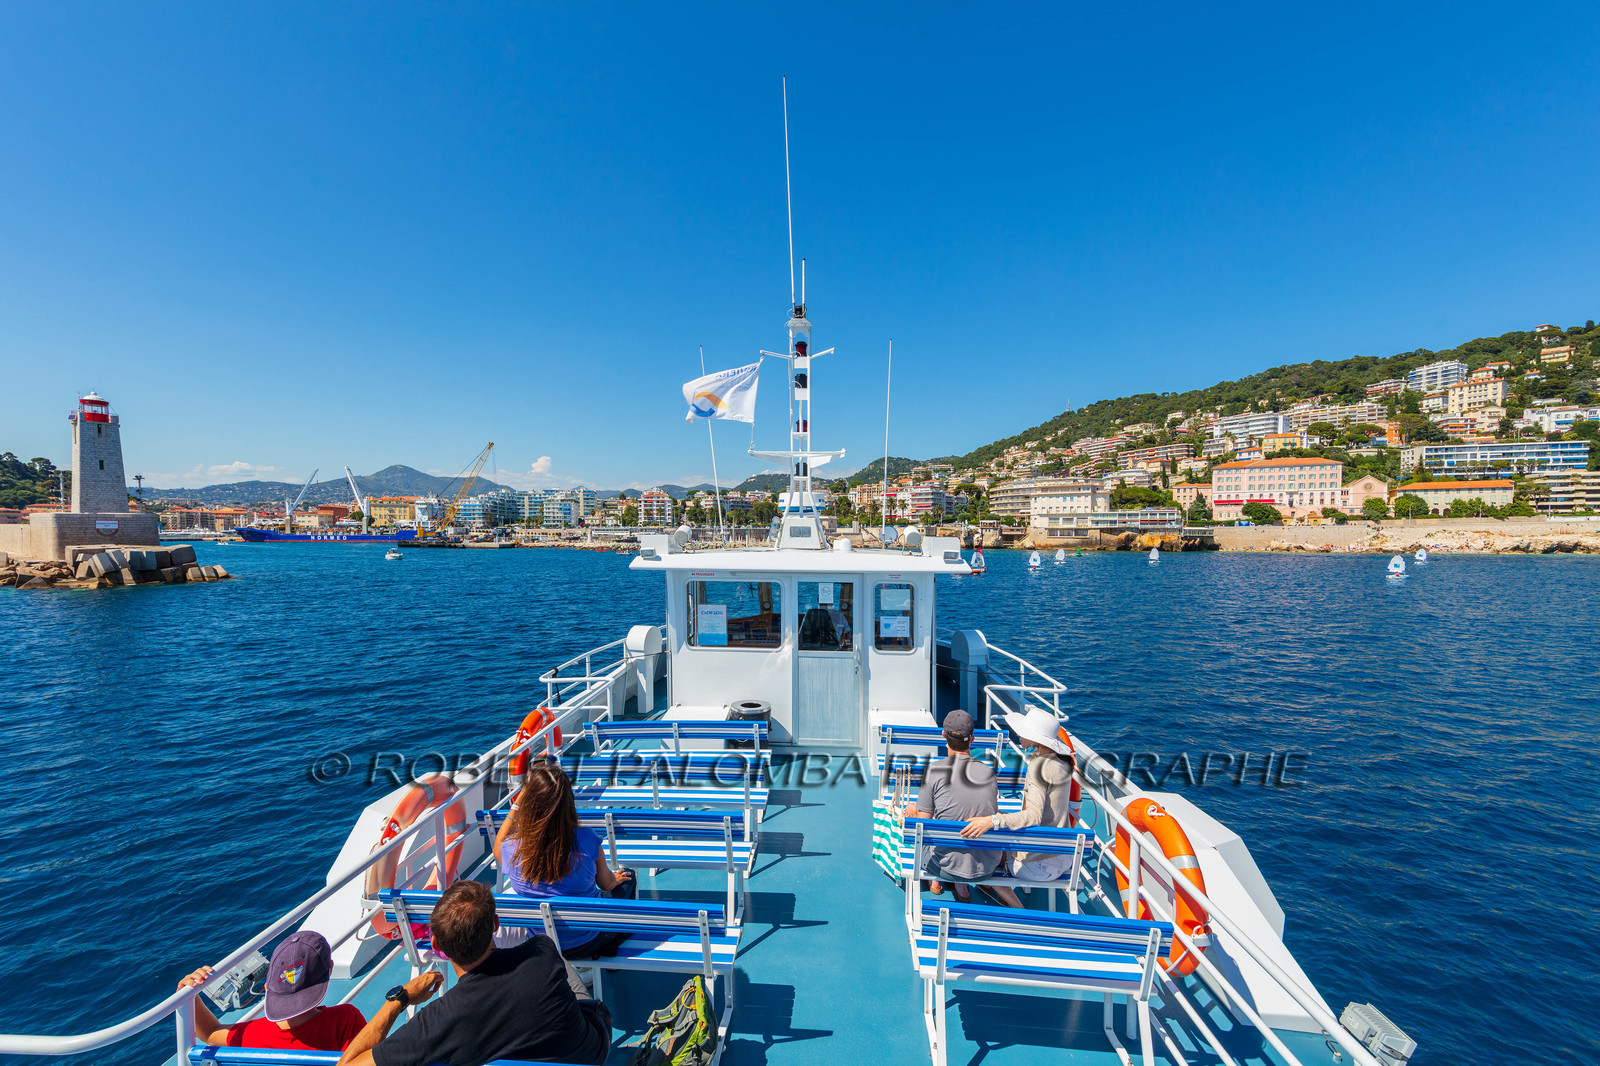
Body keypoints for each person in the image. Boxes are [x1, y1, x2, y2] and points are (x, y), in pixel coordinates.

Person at [338, 879, 612, 1066]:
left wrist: (401, 998)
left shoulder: (438, 1020)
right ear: (495, 924)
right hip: (590, 1055)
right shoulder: (541, 951)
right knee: (567, 974)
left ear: (436, 944)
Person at [494, 759, 636, 959]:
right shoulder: (586, 839)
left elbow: (499, 843)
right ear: (567, 802)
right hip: (588, 940)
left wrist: (520, 800)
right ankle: (611, 943)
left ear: (529, 803)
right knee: (629, 877)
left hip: (542, 945)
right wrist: (616, 879)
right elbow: (606, 884)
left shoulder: (511, 850)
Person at [176, 930, 376, 1051]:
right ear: (329, 971)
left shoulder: (252, 1035)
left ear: (267, 986)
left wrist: (187, 995)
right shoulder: (346, 1020)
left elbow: (210, 1033)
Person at [960, 707, 1079, 908]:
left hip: (1038, 866)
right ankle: (998, 895)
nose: (1018, 735)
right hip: (1062, 858)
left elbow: (1032, 816)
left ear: (1035, 740)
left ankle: (1013, 904)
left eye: (1023, 732)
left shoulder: (1038, 767)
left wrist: (992, 820)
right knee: (997, 822)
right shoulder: (1062, 763)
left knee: (984, 849)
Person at [902, 709, 1002, 902]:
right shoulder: (989, 774)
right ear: (972, 740)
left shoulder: (933, 772)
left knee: (919, 822)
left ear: (943, 736)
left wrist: (913, 812)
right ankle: (962, 889)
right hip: (985, 868)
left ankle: (936, 882)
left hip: (946, 867)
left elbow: (924, 826)